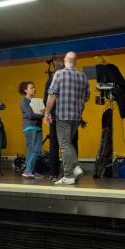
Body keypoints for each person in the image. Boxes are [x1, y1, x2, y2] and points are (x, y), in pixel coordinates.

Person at [45, 52, 90, 185]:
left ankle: (75, 167)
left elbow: (52, 95)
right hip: (76, 116)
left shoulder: (59, 74)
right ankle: (69, 176)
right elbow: (87, 97)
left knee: (64, 145)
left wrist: (47, 113)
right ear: (75, 62)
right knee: (68, 144)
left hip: (63, 115)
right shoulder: (83, 76)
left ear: (65, 60)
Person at [19, 81, 45, 179]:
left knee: (31, 150)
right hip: (30, 127)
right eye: (31, 88)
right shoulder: (24, 101)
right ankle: (28, 170)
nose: (34, 89)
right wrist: (43, 114)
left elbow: (41, 111)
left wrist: (44, 112)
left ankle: (31, 170)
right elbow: (31, 115)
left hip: (38, 126)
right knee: (36, 150)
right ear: (25, 90)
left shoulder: (36, 101)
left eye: (34, 87)